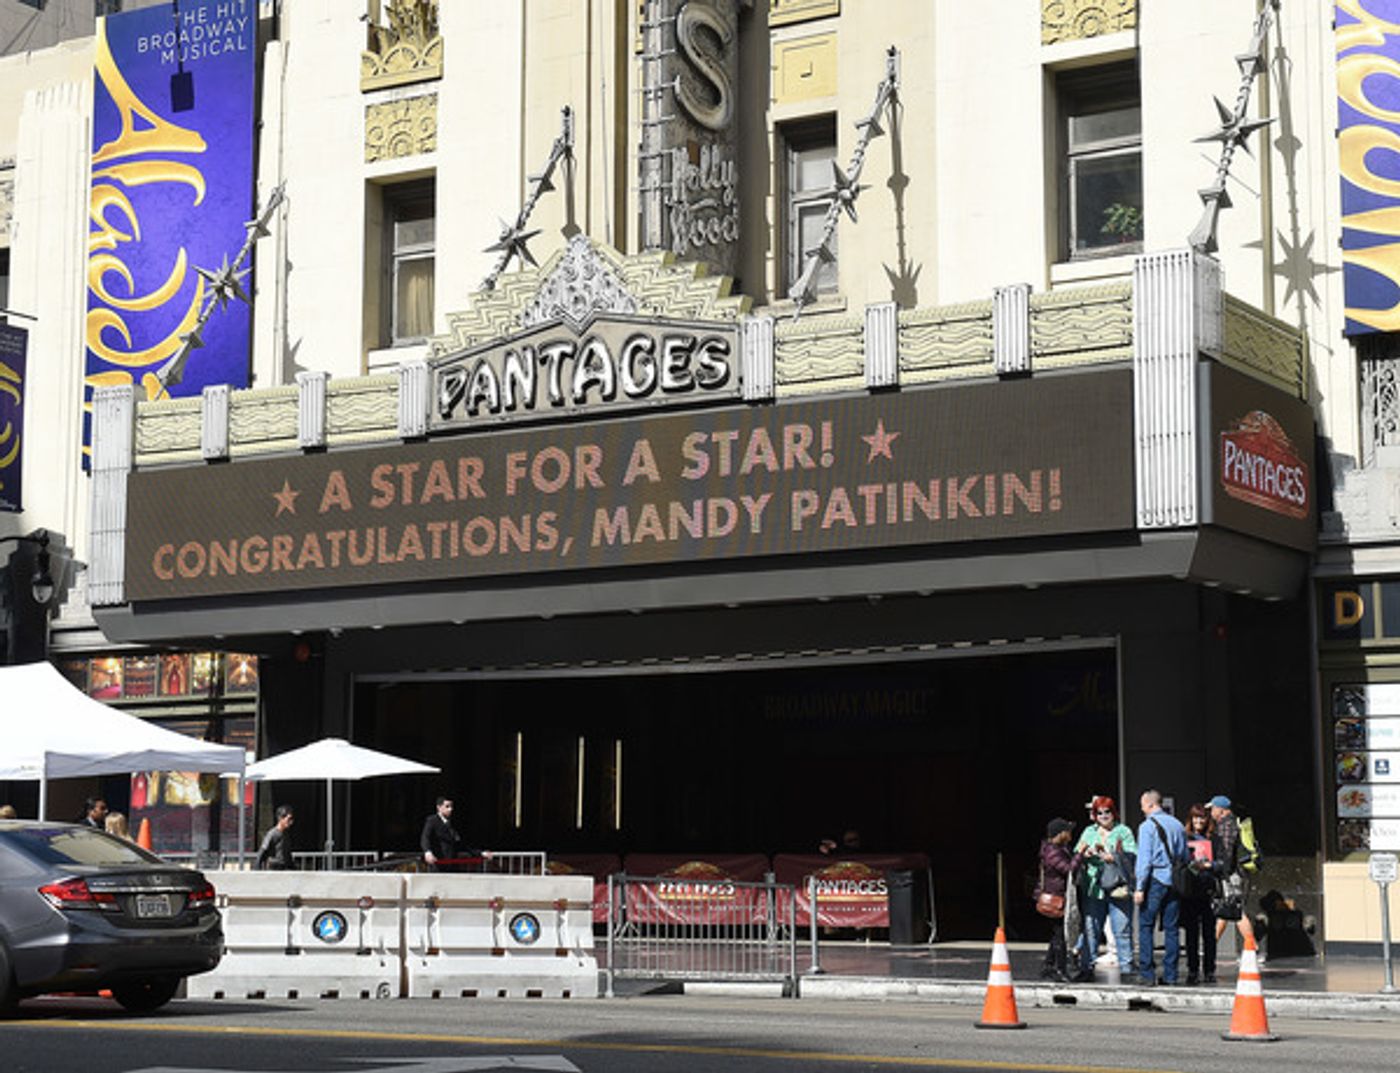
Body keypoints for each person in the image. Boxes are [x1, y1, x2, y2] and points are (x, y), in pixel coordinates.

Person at [1073, 795, 1136, 981]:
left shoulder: (1123, 831)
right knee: (1091, 929)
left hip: (1118, 887)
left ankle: (1126, 969)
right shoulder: (1088, 832)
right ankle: (1087, 968)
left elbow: (1133, 855)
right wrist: (1086, 853)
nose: (1103, 815)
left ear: (1113, 812)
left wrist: (1114, 857)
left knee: (1122, 929)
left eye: (1107, 811)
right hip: (1093, 888)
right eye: (1099, 812)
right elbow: (1078, 851)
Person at [1133, 788, 1187, 987]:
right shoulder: (1178, 825)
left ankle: (1147, 974)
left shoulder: (1147, 827)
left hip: (1154, 880)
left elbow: (1144, 860)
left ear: (1150, 804)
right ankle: (1171, 975)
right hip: (1174, 881)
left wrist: (1140, 887)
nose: (1142, 810)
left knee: (1146, 926)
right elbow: (1184, 857)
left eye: (1143, 806)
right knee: (1171, 929)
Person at [1208, 794, 1257, 948]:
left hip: (1231, 874)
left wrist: (1223, 872)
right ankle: (1211, 945)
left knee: (1237, 912)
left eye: (1213, 809)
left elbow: (1227, 852)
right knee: (1226, 910)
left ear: (1221, 810)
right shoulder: (1230, 823)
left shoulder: (1226, 825)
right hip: (1234, 873)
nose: (1211, 812)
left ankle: (1252, 945)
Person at [1180, 803, 1218, 985]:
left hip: (1208, 890)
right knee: (1191, 933)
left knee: (1209, 934)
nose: (1199, 821)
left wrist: (1212, 865)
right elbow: (1179, 861)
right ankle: (1193, 969)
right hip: (1190, 890)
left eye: (1202, 817)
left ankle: (1210, 969)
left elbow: (1222, 863)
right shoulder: (1184, 837)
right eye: (1195, 817)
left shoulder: (1213, 838)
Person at [1037, 817, 1076, 981]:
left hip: (1058, 895)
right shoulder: (1053, 852)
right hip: (1055, 898)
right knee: (1060, 934)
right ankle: (1060, 969)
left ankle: (1048, 966)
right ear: (1060, 834)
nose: (1070, 833)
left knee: (1056, 933)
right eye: (1067, 830)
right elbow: (1068, 868)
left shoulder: (1058, 848)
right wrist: (1081, 855)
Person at [420, 797, 492, 871]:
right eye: (447, 806)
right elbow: (425, 838)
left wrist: (480, 853)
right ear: (439, 807)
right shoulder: (432, 821)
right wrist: (427, 852)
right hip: (438, 866)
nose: (450, 809)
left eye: (451, 806)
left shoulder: (454, 823)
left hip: (453, 865)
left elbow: (461, 843)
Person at [256, 805, 295, 870]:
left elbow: (288, 854)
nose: (291, 822)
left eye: (292, 819)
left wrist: (293, 869)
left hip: (283, 868)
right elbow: (262, 852)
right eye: (288, 819)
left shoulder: (286, 834)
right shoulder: (272, 834)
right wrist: (257, 870)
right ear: (280, 818)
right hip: (273, 868)